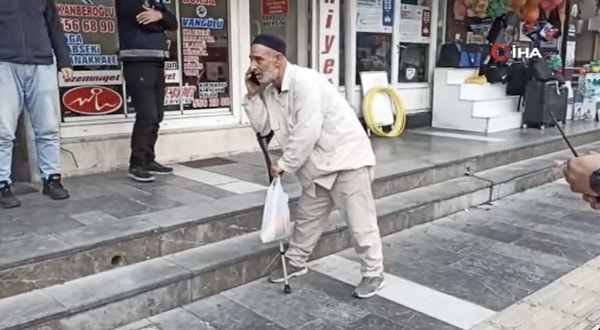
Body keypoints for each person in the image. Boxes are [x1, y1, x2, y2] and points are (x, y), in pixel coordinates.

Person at [242, 34, 385, 299]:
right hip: (316, 166)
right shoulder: (272, 91)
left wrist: (284, 165)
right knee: (307, 220)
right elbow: (264, 129)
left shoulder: (305, 82)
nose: (253, 65)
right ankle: (296, 262)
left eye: (258, 58)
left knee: (360, 223)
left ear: (278, 59)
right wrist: (252, 97)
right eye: (251, 58)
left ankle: (374, 273)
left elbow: (307, 131)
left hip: (347, 160)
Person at [0, 0, 73, 209]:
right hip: (4, 64)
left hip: (42, 64)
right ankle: (2, 184)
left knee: (48, 127)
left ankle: (51, 179)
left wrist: (64, 60)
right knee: (3, 130)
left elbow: (54, 27)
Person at [116, 0, 178, 182]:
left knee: (157, 114)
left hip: (157, 60)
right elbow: (146, 23)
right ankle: (137, 164)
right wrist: (162, 20)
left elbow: (173, 23)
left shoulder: (156, 2)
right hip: (137, 60)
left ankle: (149, 159)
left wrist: (160, 15)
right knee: (147, 114)